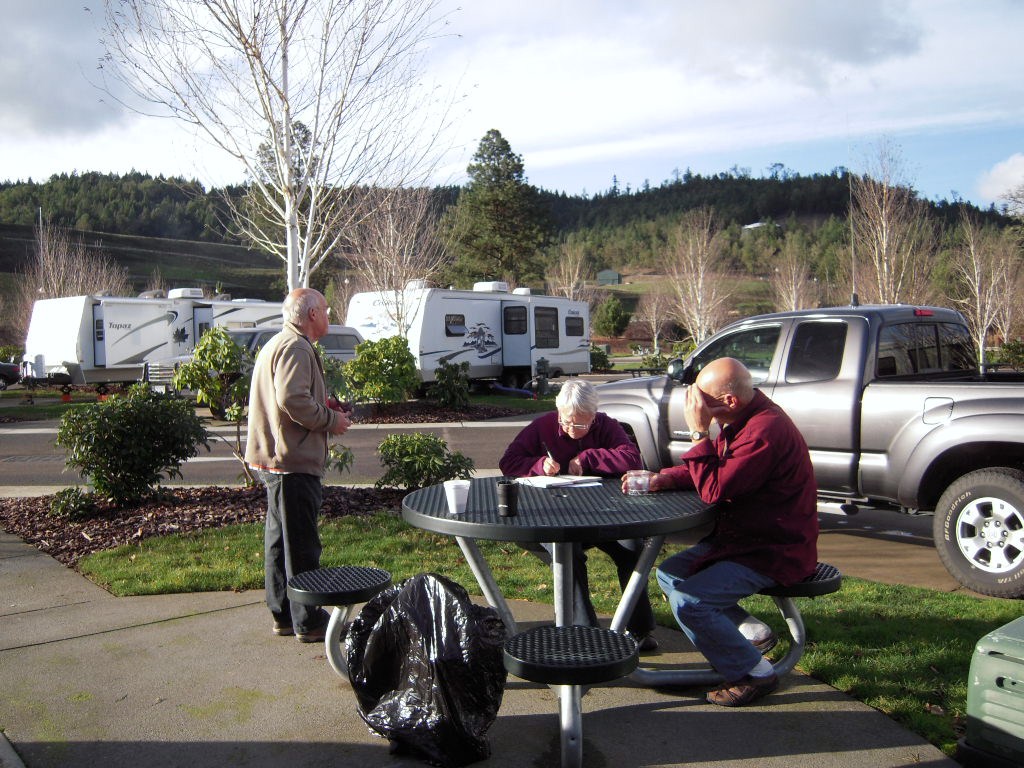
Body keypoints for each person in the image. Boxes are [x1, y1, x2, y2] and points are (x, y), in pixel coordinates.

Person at [632, 357, 818, 706]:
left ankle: (754, 673)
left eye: (702, 399)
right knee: (671, 574)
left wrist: (699, 431)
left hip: (773, 550)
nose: (695, 406)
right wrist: (664, 478)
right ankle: (752, 634)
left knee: (692, 603)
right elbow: (719, 466)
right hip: (743, 540)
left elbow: (716, 489)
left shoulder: (764, 431)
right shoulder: (744, 418)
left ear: (729, 401)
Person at [499, 379, 658, 651]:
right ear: (558, 413)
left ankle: (639, 629)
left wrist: (588, 458)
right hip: (551, 517)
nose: (572, 429)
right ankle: (586, 633)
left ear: (594, 416)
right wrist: (538, 465)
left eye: (581, 424)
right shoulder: (543, 426)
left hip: (602, 513)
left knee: (631, 547)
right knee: (567, 553)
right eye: (567, 422)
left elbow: (632, 459)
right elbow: (509, 462)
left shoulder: (606, 425)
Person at [245, 288, 352, 643]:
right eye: (324, 309)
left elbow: (291, 397)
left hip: (276, 460)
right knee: (302, 545)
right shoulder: (296, 346)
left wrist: (324, 404)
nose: (328, 314)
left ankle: (283, 615)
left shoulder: (280, 342)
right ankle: (308, 621)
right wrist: (329, 420)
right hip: (292, 461)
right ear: (310, 315)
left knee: (279, 542)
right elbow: (291, 399)